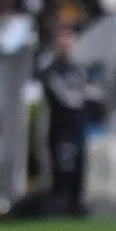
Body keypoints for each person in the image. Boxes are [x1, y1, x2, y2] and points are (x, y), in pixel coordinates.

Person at [37, 22, 91, 216]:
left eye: (69, 38)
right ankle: (61, 204)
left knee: (79, 166)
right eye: (62, 38)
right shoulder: (52, 69)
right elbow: (67, 97)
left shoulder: (78, 68)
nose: (66, 43)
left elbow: (86, 90)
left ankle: (76, 204)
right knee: (63, 167)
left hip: (77, 126)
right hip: (62, 127)